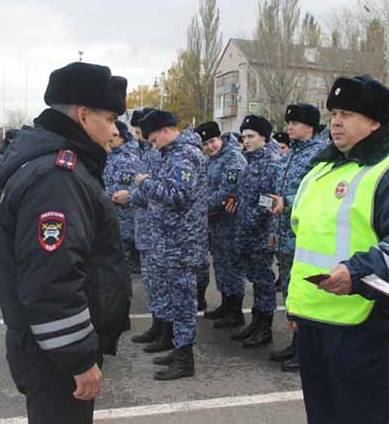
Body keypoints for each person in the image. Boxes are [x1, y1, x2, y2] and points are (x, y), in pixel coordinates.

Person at [286, 75, 389, 424]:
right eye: (334, 112)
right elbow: (305, 238)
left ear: (375, 122)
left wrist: (356, 272)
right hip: (314, 320)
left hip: (362, 324)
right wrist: (296, 306)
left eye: (348, 114)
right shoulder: (322, 167)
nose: (336, 121)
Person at [0, 61, 130, 424]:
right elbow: (52, 277)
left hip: (46, 347)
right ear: (83, 115)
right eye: (111, 119)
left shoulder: (56, 165)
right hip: (53, 355)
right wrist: (79, 358)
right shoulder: (57, 177)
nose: (114, 131)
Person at [116, 109, 208, 380]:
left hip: (181, 241)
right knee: (175, 300)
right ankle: (178, 348)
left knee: (183, 302)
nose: (152, 145)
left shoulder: (185, 155)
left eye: (153, 139)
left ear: (166, 130)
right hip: (168, 239)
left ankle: (185, 358)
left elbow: (177, 196)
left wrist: (145, 183)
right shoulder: (171, 154)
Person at [267, 103, 327, 372]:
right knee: (291, 292)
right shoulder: (290, 154)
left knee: (305, 294)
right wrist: (272, 230)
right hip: (284, 235)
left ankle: (307, 351)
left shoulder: (319, 155)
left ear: (310, 127)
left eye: (295, 123)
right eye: (288, 122)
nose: (289, 127)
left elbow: (318, 194)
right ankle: (296, 343)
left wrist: (287, 202)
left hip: (305, 238)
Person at [228, 114, 280, 348]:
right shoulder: (250, 161)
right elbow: (247, 195)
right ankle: (256, 322)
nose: (245, 141)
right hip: (246, 230)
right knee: (256, 279)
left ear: (264, 137)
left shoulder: (271, 163)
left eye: (250, 136)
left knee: (263, 280)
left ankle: (264, 327)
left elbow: (268, 203)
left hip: (260, 233)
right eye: (243, 136)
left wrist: (248, 223)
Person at [195, 121, 248, 329]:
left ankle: (236, 311)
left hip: (231, 223)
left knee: (232, 267)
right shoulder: (211, 160)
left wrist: (199, 207)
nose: (210, 147)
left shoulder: (232, 158)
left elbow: (228, 192)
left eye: (212, 141)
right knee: (221, 265)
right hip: (217, 224)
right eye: (205, 144)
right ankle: (226, 305)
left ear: (220, 138)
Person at [120, 108, 164, 345]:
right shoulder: (146, 152)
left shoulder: (157, 154)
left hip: (154, 226)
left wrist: (131, 195)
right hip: (144, 225)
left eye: (140, 132)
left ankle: (163, 328)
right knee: (150, 280)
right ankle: (157, 325)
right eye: (136, 131)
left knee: (158, 281)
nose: (138, 136)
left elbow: (156, 192)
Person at [104, 120, 141, 300]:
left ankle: (122, 303)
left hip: (123, 221)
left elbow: (121, 193)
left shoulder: (129, 159)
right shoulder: (109, 155)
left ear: (123, 137)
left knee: (120, 265)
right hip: (109, 219)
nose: (111, 137)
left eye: (115, 135)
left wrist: (98, 193)